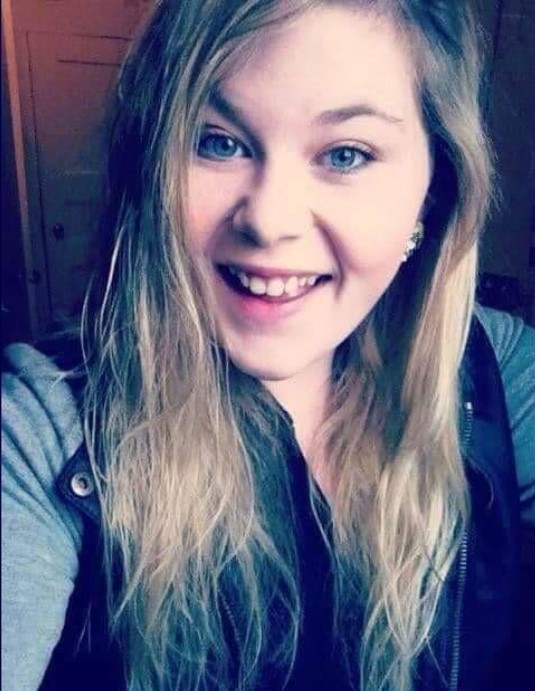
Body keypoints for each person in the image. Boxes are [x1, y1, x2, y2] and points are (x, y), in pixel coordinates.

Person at [2, 1, 534, 689]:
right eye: (218, 142)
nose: (268, 220)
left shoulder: (492, 367)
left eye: (345, 154)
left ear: (432, 192)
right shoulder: (44, 434)